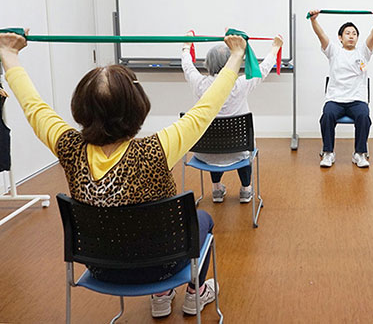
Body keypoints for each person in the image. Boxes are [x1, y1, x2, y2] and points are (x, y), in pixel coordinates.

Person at [0, 29, 246, 318]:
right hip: (162, 264)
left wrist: (9, 55)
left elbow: (34, 107)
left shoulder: (68, 147)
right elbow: (207, 107)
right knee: (202, 218)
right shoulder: (158, 149)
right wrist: (236, 56)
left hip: (101, 267)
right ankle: (193, 292)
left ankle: (162, 295)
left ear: (80, 107)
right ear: (138, 107)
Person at [181, 33, 283, 203]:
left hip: (206, 153)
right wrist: (275, 47)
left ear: (208, 64)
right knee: (245, 150)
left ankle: (216, 190)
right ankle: (245, 190)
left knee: (216, 142)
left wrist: (186, 46)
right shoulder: (241, 84)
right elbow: (263, 69)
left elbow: (187, 66)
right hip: (239, 151)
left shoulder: (198, 84)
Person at [308, 10, 373, 168]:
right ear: (340, 37)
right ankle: (328, 153)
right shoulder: (334, 51)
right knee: (327, 115)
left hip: (357, 100)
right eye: (347, 33)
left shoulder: (363, 52)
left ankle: (359, 153)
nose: (351, 36)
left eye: (354, 33)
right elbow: (321, 34)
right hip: (335, 99)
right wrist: (314, 20)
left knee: (364, 116)